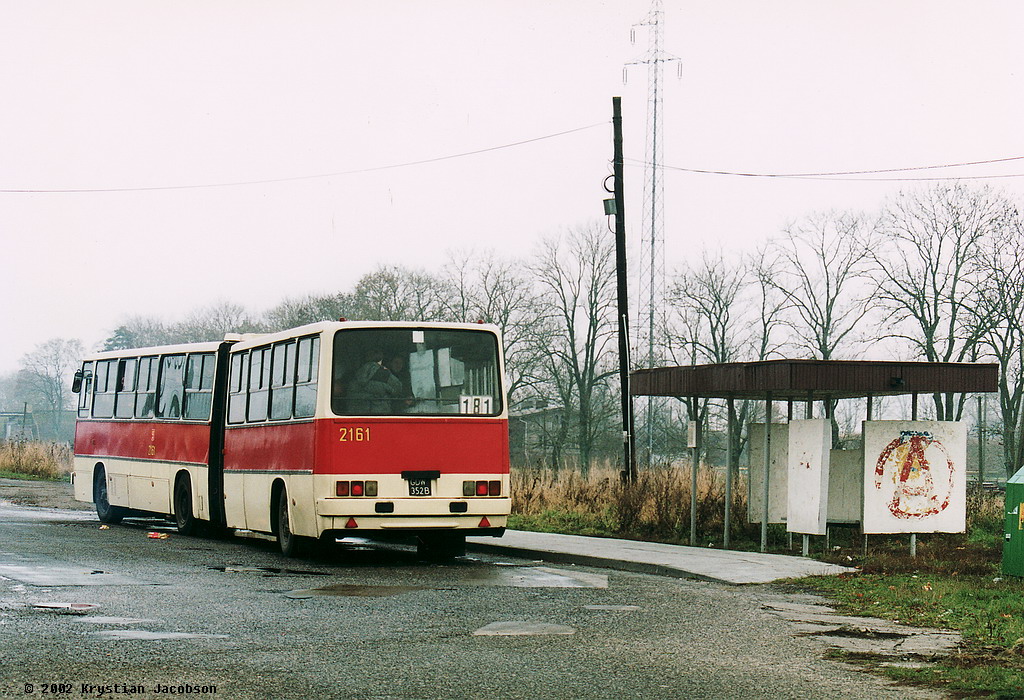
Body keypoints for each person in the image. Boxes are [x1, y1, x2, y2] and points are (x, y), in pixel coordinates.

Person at [347, 350, 402, 414]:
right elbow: (398, 389)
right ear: (381, 359)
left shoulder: (353, 374)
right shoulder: (384, 374)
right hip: (380, 415)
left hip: (356, 416)